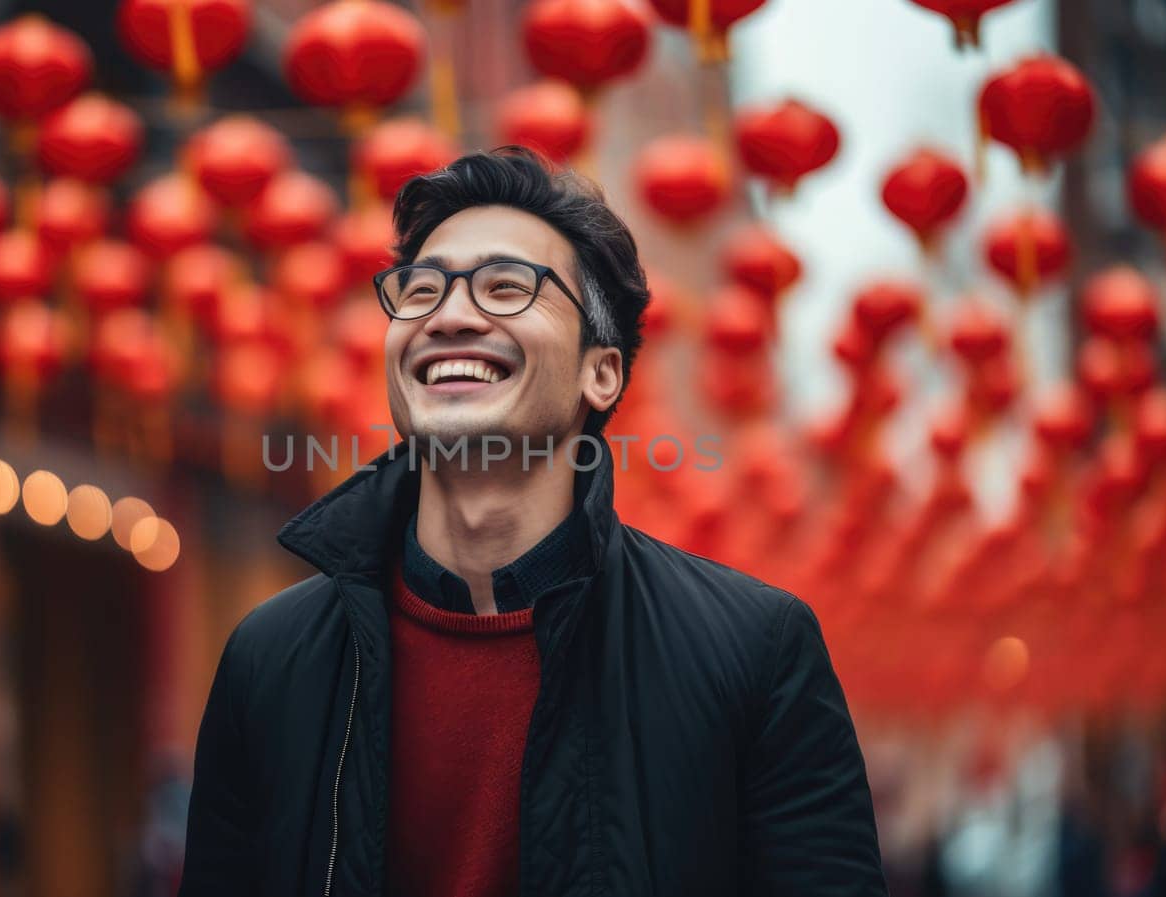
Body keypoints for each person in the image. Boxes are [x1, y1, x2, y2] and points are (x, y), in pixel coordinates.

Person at [177, 146, 887, 897]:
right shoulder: (272, 660)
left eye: (506, 287)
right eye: (419, 291)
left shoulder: (754, 653)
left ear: (601, 372)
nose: (448, 316)